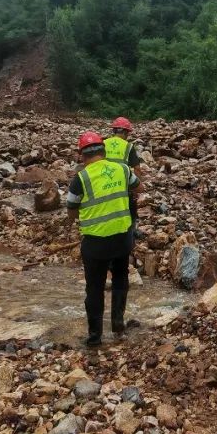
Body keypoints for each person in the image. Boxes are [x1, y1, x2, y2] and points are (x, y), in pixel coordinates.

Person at [65, 132, 140, 347]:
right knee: (120, 281)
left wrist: (77, 219)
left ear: (82, 156)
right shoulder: (123, 169)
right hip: (122, 239)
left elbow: (71, 209)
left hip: (95, 244)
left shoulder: (81, 178)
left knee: (95, 288)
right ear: (103, 151)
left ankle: (95, 337)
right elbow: (138, 186)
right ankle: (118, 326)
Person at [104, 117, 142, 237]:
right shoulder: (128, 146)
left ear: (114, 130)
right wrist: (136, 188)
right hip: (122, 183)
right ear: (125, 132)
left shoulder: (103, 143)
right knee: (131, 205)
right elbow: (137, 168)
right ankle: (131, 231)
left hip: (104, 181)